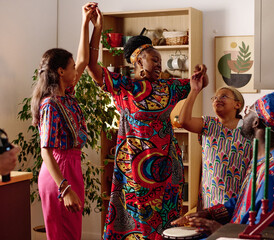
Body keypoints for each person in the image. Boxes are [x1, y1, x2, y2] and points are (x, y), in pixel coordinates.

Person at [87, 9, 209, 239]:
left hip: (168, 171)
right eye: (154, 59)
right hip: (135, 171)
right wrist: (97, 28)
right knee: (139, 224)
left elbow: (200, 83)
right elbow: (92, 67)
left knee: (167, 226)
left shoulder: (167, 87)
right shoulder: (124, 88)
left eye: (160, 61)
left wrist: (200, 77)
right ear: (138, 61)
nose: (159, 65)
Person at [172, 92, 274, 235]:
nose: (244, 115)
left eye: (248, 111)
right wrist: (209, 213)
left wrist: (220, 229)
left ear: (256, 122)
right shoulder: (262, 158)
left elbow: (269, 232)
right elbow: (245, 201)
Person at [30, 3, 98, 239]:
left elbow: (82, 59)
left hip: (72, 168)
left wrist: (86, 23)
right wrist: (65, 188)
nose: (75, 71)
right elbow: (46, 152)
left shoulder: (67, 95)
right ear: (60, 72)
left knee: (72, 235)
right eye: (70, 68)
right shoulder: (50, 105)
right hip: (58, 172)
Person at [178, 84, 252, 209]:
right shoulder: (208, 124)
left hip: (237, 201)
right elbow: (184, 121)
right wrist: (195, 90)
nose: (217, 99)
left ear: (237, 105)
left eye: (223, 96)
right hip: (209, 199)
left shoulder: (248, 128)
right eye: (215, 98)